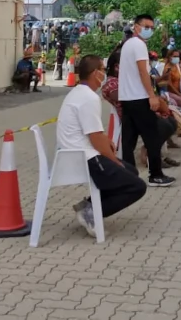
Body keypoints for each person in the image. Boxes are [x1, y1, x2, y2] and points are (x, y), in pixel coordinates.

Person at [58, 56, 147, 237]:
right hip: (83, 159)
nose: (104, 74)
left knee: (130, 171)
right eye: (103, 70)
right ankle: (91, 213)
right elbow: (95, 138)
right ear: (95, 73)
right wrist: (113, 160)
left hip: (77, 154)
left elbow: (95, 133)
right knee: (138, 186)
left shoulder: (78, 93)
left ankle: (89, 205)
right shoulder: (88, 98)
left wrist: (107, 143)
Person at [118, 14, 175, 187]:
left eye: (151, 27)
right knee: (152, 137)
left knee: (128, 140)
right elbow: (143, 72)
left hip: (127, 98)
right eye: (146, 26)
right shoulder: (139, 44)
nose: (149, 30)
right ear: (136, 26)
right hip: (139, 98)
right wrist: (152, 95)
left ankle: (128, 176)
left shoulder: (127, 44)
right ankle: (155, 174)